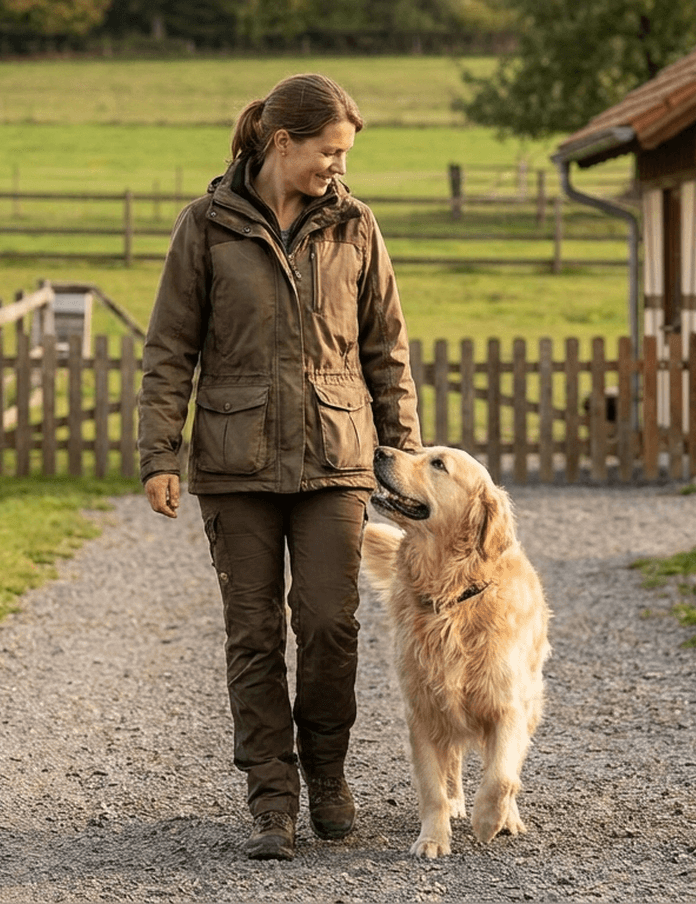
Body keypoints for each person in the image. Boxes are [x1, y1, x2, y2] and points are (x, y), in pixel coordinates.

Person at [137, 73, 421, 861]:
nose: (338, 166)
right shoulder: (205, 227)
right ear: (281, 141)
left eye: (345, 154)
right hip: (235, 464)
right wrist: (161, 452)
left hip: (337, 461)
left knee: (331, 624)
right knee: (254, 634)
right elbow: (170, 351)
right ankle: (272, 799)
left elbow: (386, 352)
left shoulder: (356, 227)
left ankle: (327, 776)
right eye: (328, 151)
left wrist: (400, 459)